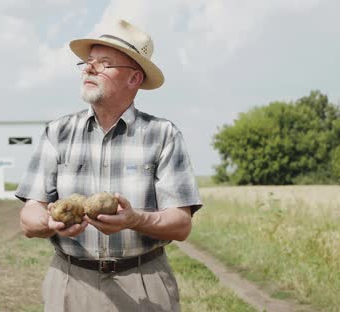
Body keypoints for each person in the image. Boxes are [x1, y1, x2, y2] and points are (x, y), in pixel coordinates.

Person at [16, 19, 202, 312]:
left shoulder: (163, 135)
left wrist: (135, 220)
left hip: (143, 281)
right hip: (70, 281)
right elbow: (29, 216)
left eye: (104, 63)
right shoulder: (58, 132)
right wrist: (48, 222)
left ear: (134, 79)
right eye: (88, 62)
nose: (89, 68)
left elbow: (181, 225)